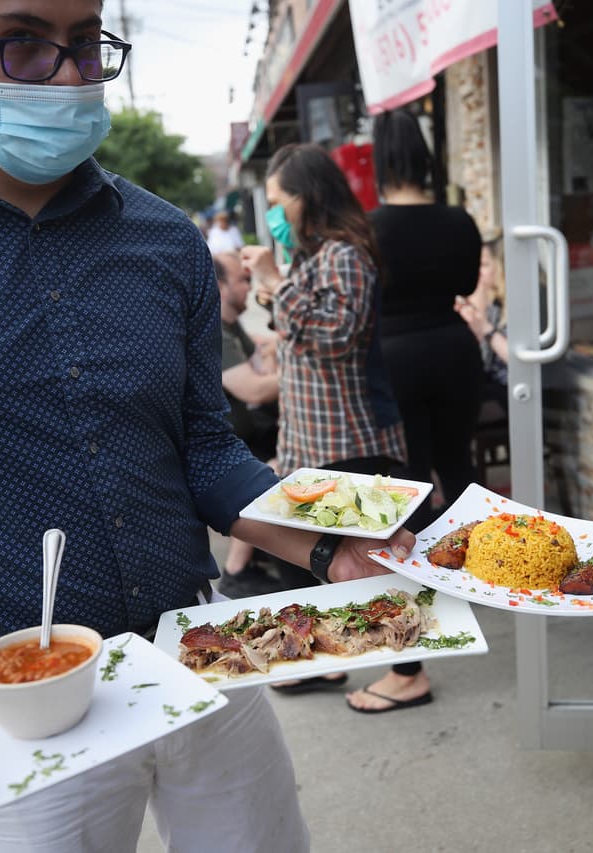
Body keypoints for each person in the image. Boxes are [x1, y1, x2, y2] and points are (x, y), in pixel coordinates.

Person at [0, 3, 412, 851]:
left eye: (88, 43)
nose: (69, 74)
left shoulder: (167, 242)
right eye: (25, 43)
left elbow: (204, 449)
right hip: (19, 700)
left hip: (204, 655)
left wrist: (329, 540)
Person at [241, 142, 408, 695]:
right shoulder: (313, 259)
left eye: (277, 201)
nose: (272, 215)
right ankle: (321, 655)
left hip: (350, 436)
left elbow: (335, 338)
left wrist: (273, 277)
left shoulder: (346, 254)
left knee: (378, 561)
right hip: (309, 436)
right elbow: (303, 329)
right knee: (299, 554)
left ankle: (408, 671)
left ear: (307, 199)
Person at [343, 108, 483, 715]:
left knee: (404, 497)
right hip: (455, 349)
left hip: (394, 361)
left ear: (382, 157)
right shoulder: (459, 220)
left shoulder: (367, 228)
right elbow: (469, 283)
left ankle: (412, 659)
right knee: (461, 473)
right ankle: (488, 576)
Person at [211, 250, 299, 597]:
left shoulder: (231, 326)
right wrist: (301, 371)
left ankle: (261, 561)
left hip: (248, 429)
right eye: (243, 279)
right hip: (232, 440)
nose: (249, 287)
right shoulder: (215, 330)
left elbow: (261, 368)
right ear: (219, 287)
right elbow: (255, 388)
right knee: (287, 460)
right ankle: (237, 570)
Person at [456, 233, 510, 395]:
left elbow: (519, 362)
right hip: (495, 388)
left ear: (501, 266)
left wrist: (485, 327)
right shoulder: (495, 303)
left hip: (514, 394)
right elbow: (482, 360)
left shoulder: (522, 305)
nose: (479, 272)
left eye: (484, 265)